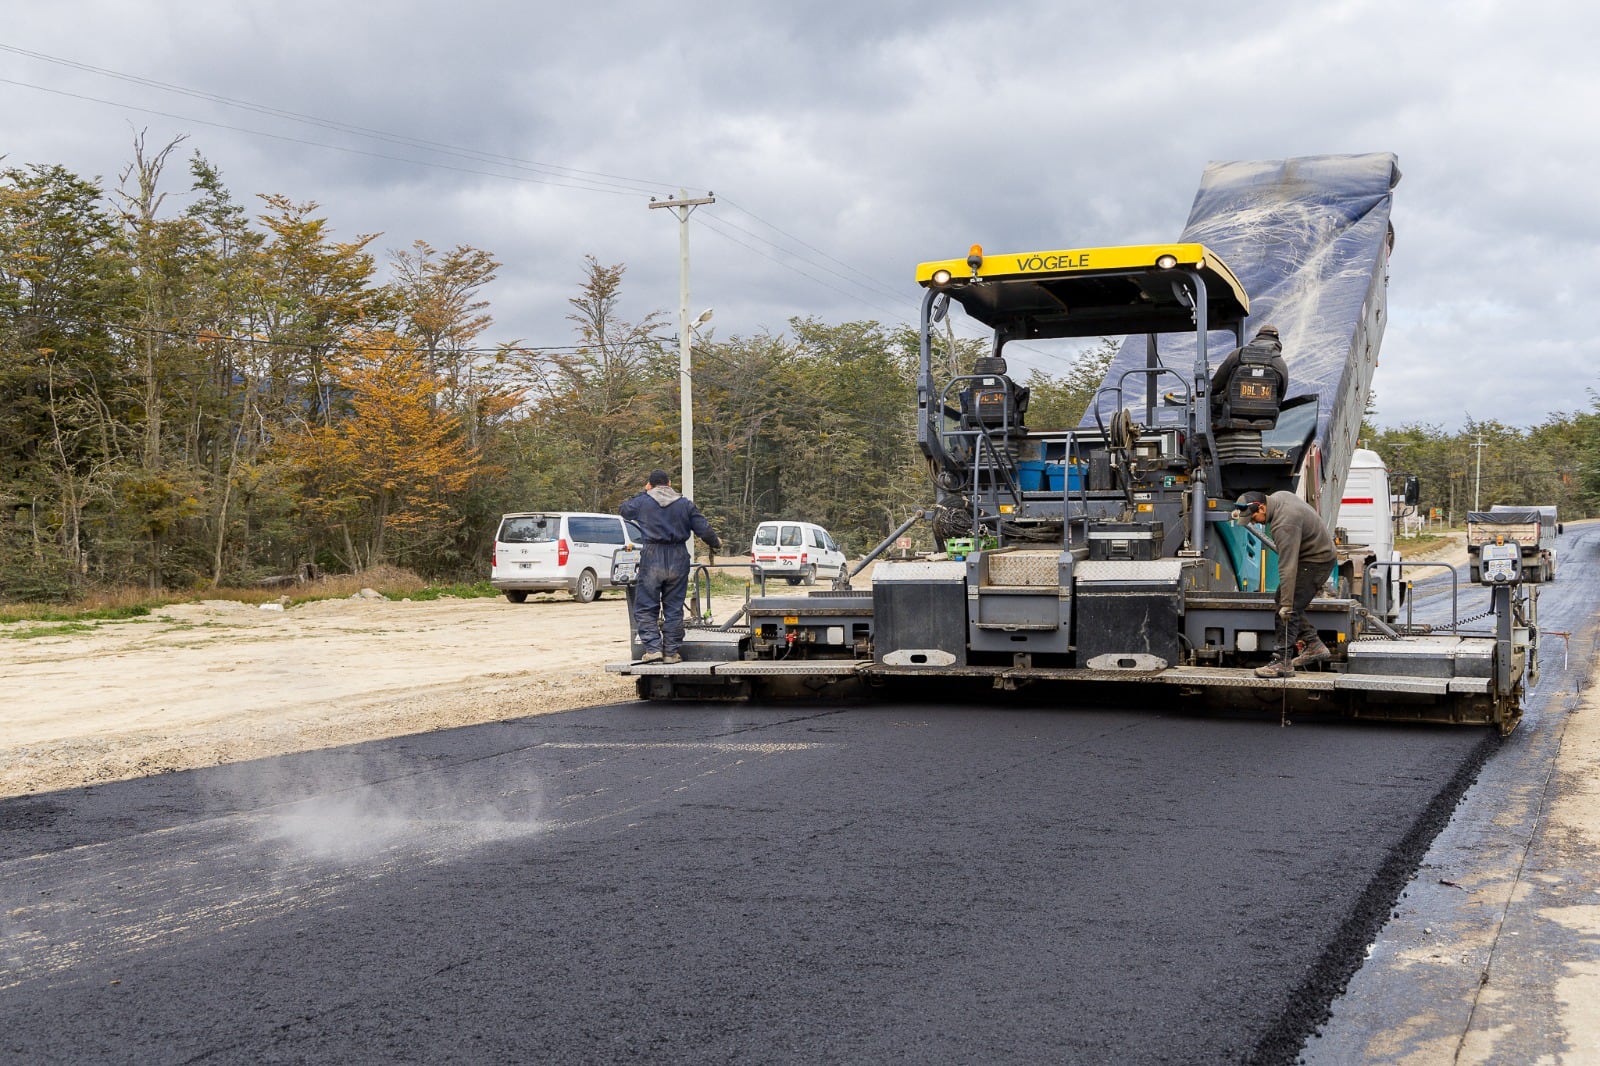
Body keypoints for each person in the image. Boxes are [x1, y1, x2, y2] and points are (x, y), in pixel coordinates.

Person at [618, 469, 722, 664]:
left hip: (652, 555)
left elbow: (624, 509)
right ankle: (671, 653)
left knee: (646, 606)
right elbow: (703, 529)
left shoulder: (643, 502)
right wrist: (715, 543)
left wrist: (644, 493)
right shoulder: (684, 504)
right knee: (674, 608)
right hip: (678, 556)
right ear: (670, 483)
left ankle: (653, 649)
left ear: (650, 484)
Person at [1232, 489, 1336, 678]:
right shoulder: (1278, 498)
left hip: (1317, 560)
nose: (1253, 522)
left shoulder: (1284, 523)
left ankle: (1283, 662)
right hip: (1314, 556)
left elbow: (1287, 568)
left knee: (1288, 608)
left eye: (1253, 517)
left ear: (1262, 507)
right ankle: (1313, 644)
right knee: (1283, 598)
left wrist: (1287, 606)